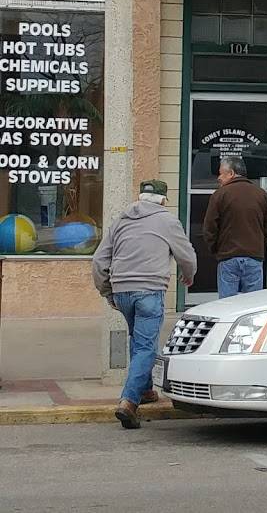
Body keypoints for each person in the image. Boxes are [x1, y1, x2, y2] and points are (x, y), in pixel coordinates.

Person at [92, 179, 197, 430]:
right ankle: (129, 401)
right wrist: (189, 274)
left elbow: (98, 260)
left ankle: (146, 390)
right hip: (149, 290)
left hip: (122, 290)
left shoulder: (120, 221)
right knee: (146, 346)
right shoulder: (168, 220)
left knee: (138, 341)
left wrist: (108, 292)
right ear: (163, 199)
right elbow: (186, 255)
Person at [203, 154, 267, 299]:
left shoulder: (220, 194)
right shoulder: (261, 194)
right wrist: (258, 243)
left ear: (231, 173)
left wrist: (216, 249)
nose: (218, 178)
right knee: (252, 303)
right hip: (254, 256)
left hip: (228, 256)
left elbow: (209, 227)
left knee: (227, 303)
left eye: (221, 174)